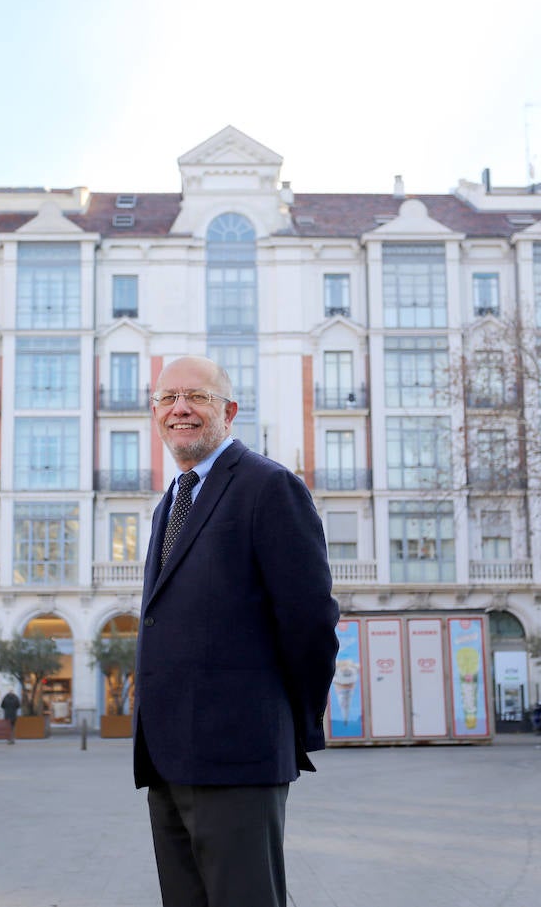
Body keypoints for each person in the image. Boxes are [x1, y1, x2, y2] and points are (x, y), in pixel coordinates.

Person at [134, 356, 339, 907]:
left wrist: (283, 724)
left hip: (238, 755)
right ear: (156, 413)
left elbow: (311, 623)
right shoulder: (172, 501)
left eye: (196, 397)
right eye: (167, 398)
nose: (180, 408)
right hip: (168, 759)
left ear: (229, 411)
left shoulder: (269, 487)